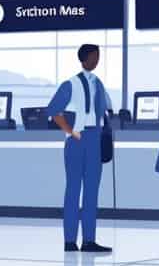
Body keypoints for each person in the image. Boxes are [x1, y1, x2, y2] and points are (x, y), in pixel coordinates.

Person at [47, 43, 112, 254]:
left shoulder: (98, 84)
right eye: (94, 56)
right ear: (84, 58)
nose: (97, 60)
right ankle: (69, 240)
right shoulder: (71, 84)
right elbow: (53, 111)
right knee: (73, 190)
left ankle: (89, 240)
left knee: (92, 191)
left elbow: (106, 109)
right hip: (77, 139)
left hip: (95, 138)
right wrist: (70, 131)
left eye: (98, 56)